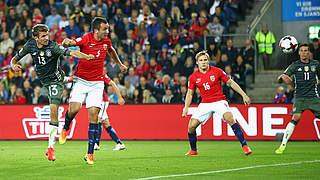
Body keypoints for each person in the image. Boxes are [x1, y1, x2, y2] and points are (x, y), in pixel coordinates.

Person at [10, 24, 95, 161]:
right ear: (35, 38)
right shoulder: (30, 45)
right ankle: (71, 79)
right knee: (65, 80)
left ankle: (50, 148)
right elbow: (14, 59)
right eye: (43, 36)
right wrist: (14, 66)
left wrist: (87, 56)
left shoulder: (54, 47)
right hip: (44, 79)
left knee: (53, 109)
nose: (46, 38)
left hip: (54, 81)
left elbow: (71, 52)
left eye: (47, 34)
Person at [59, 17, 127, 165]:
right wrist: (67, 42)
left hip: (96, 83)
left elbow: (111, 51)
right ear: (96, 30)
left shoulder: (106, 41)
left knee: (94, 115)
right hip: (81, 80)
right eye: (105, 29)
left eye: (108, 29)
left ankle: (90, 153)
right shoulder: (85, 39)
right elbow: (72, 43)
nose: (107, 31)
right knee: (74, 109)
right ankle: (65, 127)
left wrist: (120, 64)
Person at [182, 50, 252, 156]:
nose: (203, 62)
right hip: (205, 103)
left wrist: (244, 95)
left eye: (205, 60)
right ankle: (193, 150)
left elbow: (231, 83)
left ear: (209, 61)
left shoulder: (217, 71)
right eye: (201, 60)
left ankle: (245, 146)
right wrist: (186, 107)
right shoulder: (193, 77)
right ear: (197, 62)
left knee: (230, 118)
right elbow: (190, 93)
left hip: (219, 100)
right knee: (191, 126)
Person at [275, 44, 320, 154]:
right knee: (296, 117)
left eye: (306, 51)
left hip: (314, 97)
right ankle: (283, 145)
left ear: (309, 53)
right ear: (298, 53)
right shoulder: (294, 65)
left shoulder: (316, 64)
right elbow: (282, 78)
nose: (304, 52)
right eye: (302, 51)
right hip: (300, 97)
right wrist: (285, 80)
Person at [94, 73, 126, 151]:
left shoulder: (101, 74)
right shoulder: (91, 74)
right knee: (106, 124)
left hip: (103, 101)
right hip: (98, 100)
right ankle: (119, 143)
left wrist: (119, 97)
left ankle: (96, 144)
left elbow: (112, 83)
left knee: (98, 120)